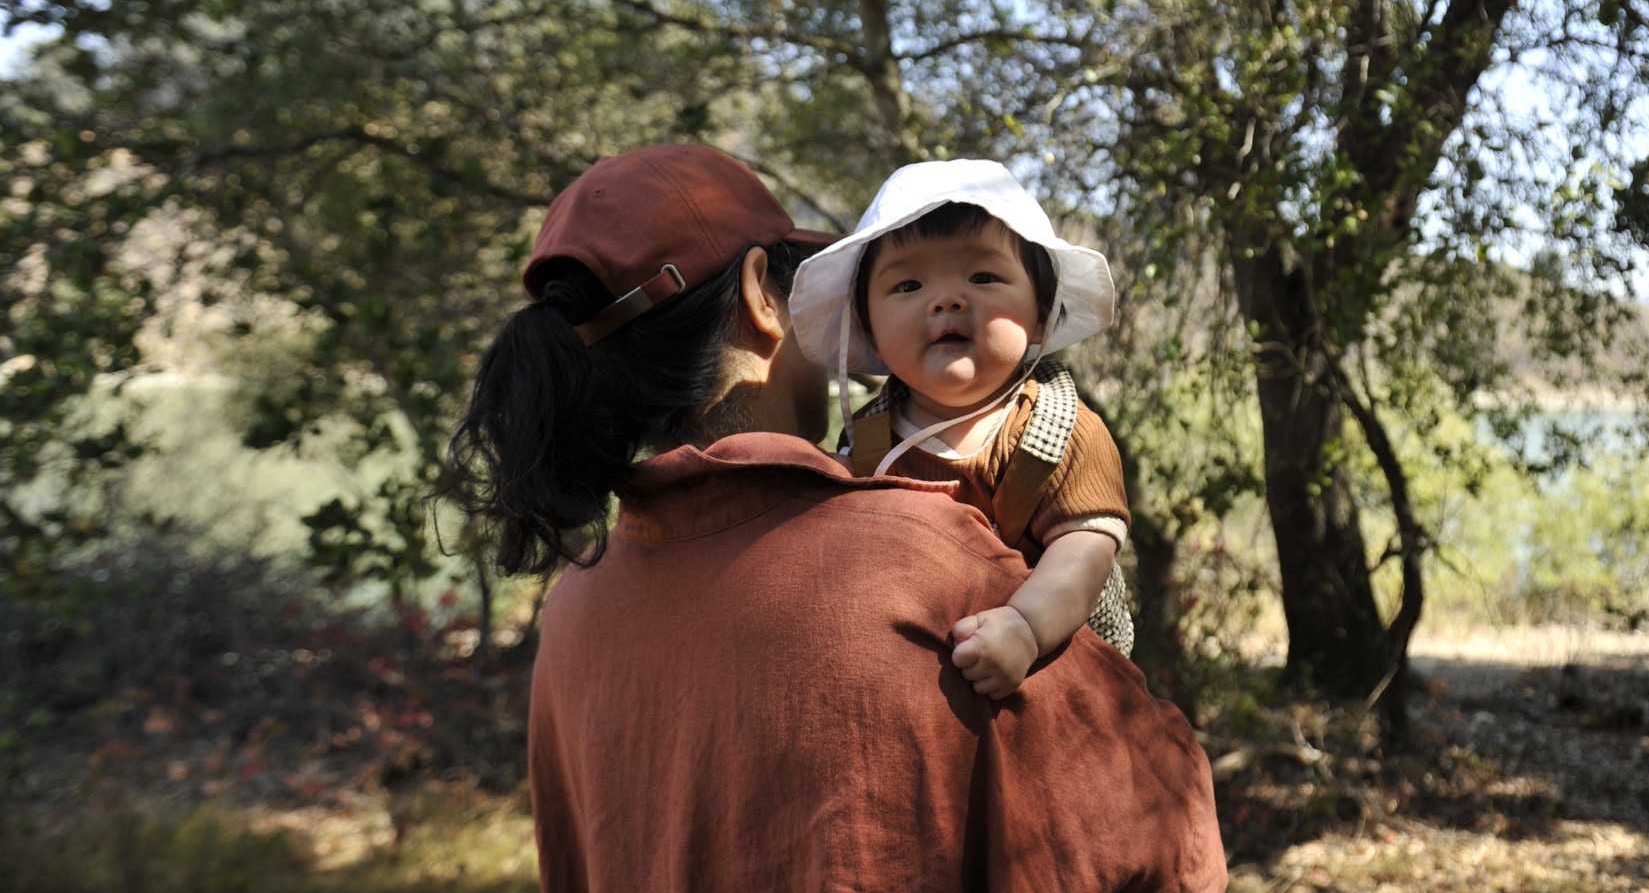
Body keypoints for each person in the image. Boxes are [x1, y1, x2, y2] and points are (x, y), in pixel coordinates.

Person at [442, 144, 1227, 892]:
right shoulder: (923, 570)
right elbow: (1162, 834)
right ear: (761, 296)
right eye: (903, 287)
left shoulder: (578, 608)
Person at [788, 159, 1132, 700]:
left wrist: (1025, 627)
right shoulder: (868, 442)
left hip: (1045, 676)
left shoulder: (1062, 432)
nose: (946, 299)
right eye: (907, 284)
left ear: (1041, 315)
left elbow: (1086, 551)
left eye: (983, 277)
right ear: (870, 331)